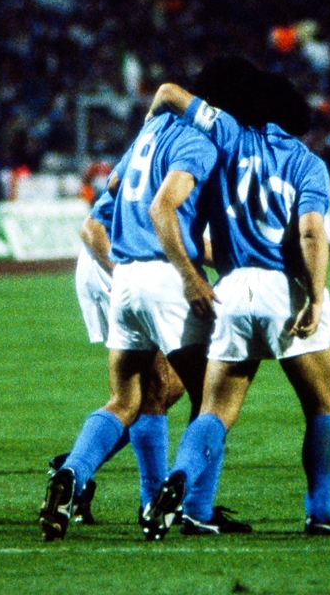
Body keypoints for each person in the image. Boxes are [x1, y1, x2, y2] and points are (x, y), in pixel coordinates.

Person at [141, 56, 330, 539]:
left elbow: (173, 93)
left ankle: (181, 482)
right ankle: (321, 513)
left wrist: (150, 123)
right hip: (285, 289)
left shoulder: (228, 136)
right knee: (323, 405)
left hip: (232, 290)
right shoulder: (307, 163)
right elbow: (310, 232)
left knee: (215, 410)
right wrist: (316, 298)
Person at [39, 109, 235, 541]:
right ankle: (184, 506)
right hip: (126, 266)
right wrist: (131, 270)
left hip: (130, 271)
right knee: (205, 396)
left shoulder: (150, 137)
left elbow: (118, 193)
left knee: (140, 394)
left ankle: (73, 471)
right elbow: (93, 227)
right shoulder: (195, 148)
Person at [46, 183, 186, 527]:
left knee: (172, 386)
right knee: (151, 388)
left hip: (136, 265)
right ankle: (151, 503)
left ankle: (75, 465)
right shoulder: (180, 162)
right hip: (118, 262)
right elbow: (91, 227)